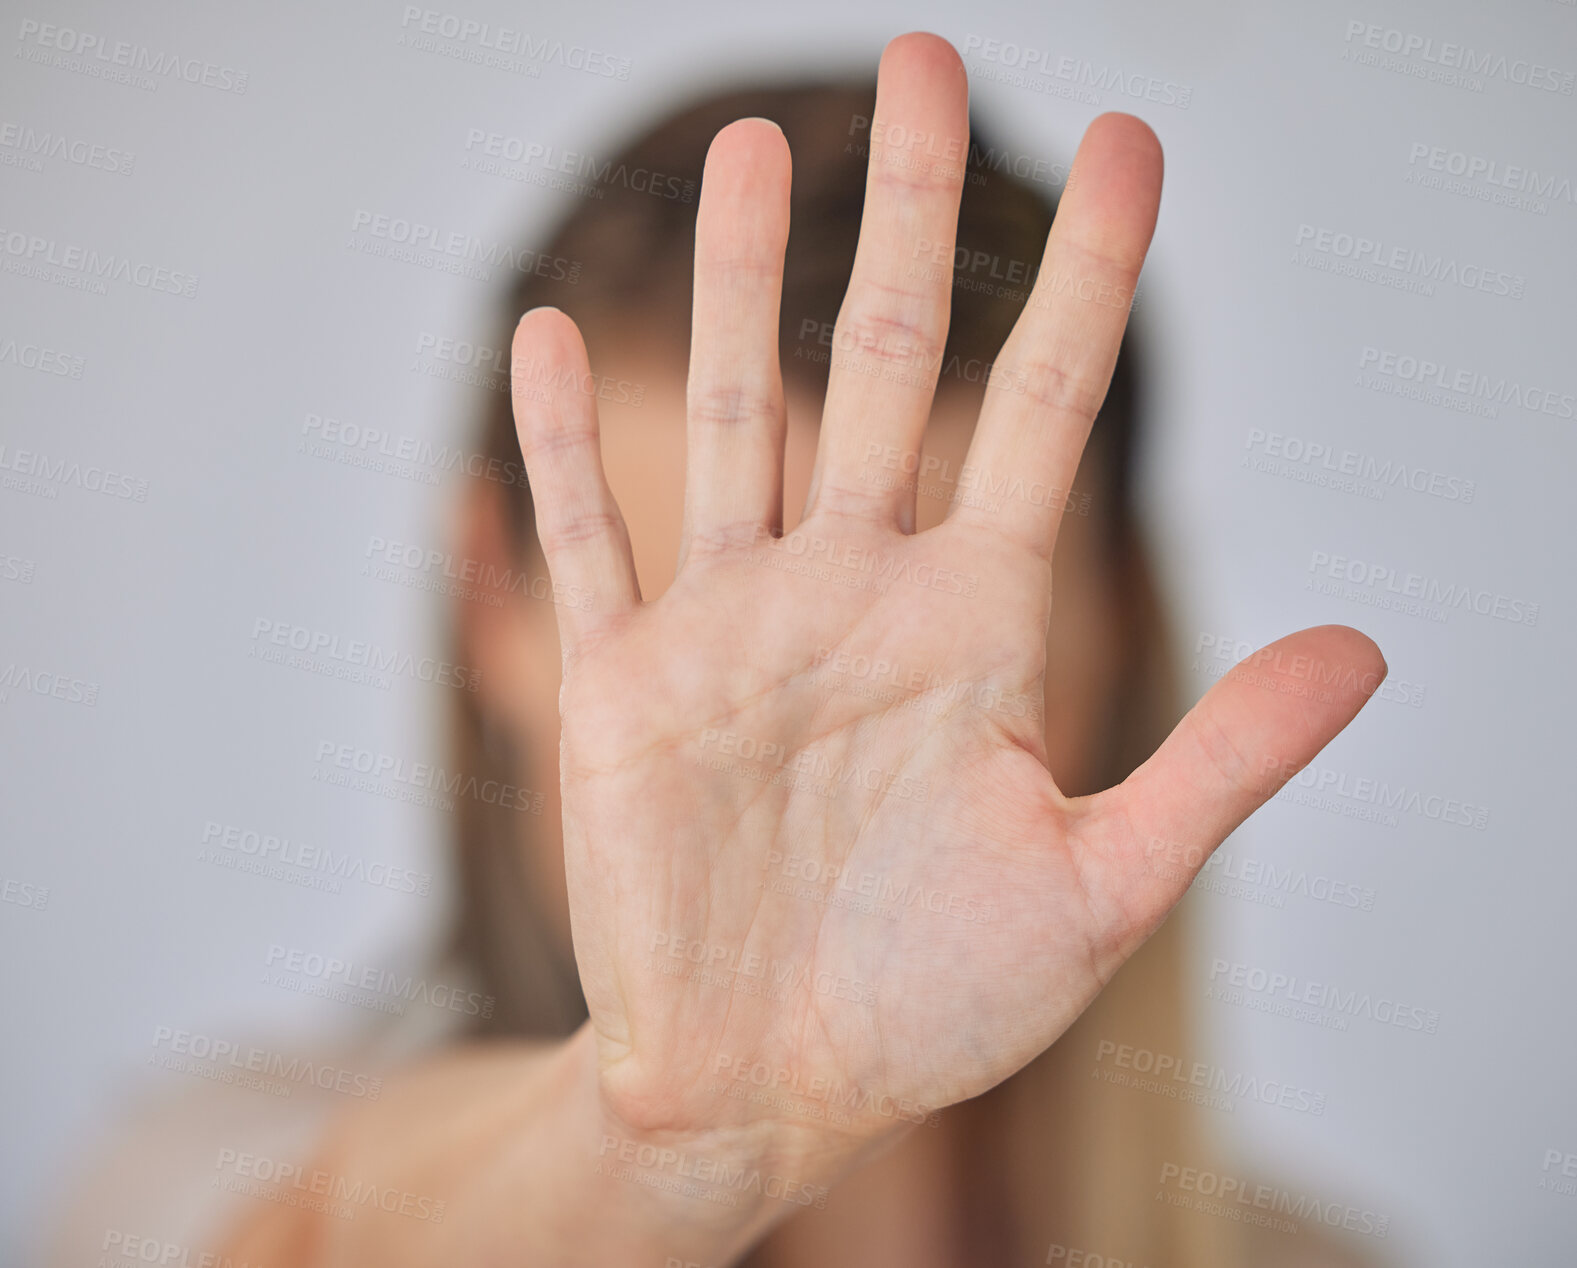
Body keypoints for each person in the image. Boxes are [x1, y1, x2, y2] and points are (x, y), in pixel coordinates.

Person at [51, 33, 1387, 1268]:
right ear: (488, 607)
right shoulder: (193, 1171)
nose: (821, 789)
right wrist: (660, 1145)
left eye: (928, 674)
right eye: (689, 629)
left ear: (1123, 631)